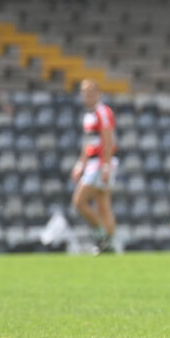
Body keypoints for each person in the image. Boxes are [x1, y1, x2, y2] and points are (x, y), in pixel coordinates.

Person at [70, 79, 118, 254]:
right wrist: (80, 164)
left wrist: (106, 166)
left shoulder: (102, 112)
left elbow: (108, 140)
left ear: (98, 93)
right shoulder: (88, 115)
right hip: (93, 162)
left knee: (79, 201)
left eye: (91, 92)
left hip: (100, 162)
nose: (88, 96)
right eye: (85, 93)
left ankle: (102, 236)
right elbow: (88, 142)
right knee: (103, 205)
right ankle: (108, 245)